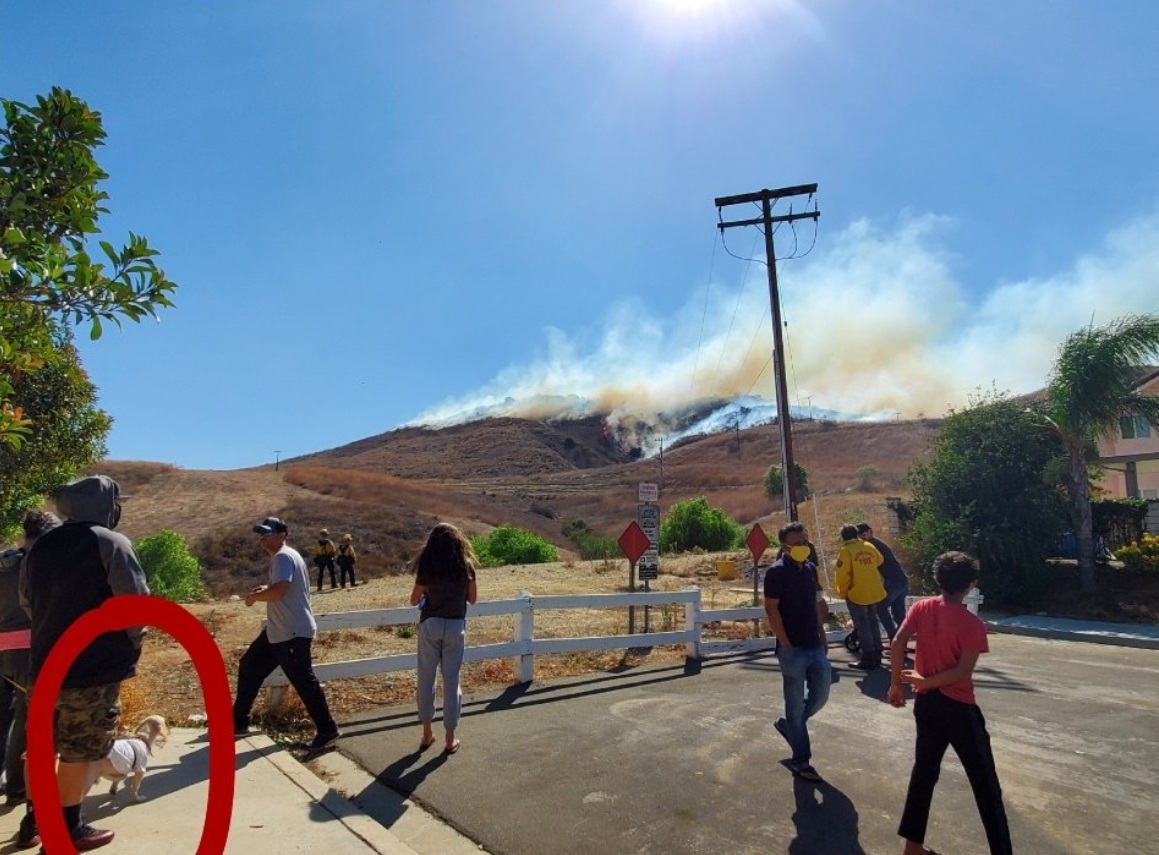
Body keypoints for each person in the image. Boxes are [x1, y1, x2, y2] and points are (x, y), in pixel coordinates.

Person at [19, 476, 149, 852]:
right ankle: (67, 829)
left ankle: (34, 818)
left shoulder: (41, 547)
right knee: (81, 749)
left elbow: (28, 603)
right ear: (107, 506)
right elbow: (134, 605)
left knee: (43, 746)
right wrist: (130, 643)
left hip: (43, 666)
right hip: (91, 670)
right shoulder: (110, 543)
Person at [888, 551, 1012, 855]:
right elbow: (961, 672)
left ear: (938, 579)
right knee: (985, 784)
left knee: (924, 773)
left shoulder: (923, 608)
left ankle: (913, 847)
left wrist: (897, 683)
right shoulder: (972, 625)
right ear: (970, 584)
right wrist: (924, 682)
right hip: (959, 709)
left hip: (927, 706)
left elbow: (897, 642)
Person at [232, 517, 340, 755]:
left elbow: (279, 591)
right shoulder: (286, 556)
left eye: (268, 534)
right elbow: (281, 588)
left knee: (303, 680)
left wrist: (254, 598)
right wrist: (264, 590)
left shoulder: (282, 556)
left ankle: (327, 729)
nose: (263, 539)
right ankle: (237, 722)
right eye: (261, 535)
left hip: (291, 632)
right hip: (278, 631)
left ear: (282, 534)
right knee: (249, 666)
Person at [0, 511, 60, 811]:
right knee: (26, 725)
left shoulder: (5, 562)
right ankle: (17, 789)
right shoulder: (41, 566)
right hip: (28, 651)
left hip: (2, 649)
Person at [763, 521, 830, 784]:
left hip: (814, 644)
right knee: (794, 702)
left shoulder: (811, 570)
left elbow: (815, 604)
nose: (803, 546)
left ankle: (789, 725)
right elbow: (771, 609)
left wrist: (822, 632)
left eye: (805, 541)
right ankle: (801, 760)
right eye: (798, 543)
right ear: (785, 546)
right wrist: (786, 644)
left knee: (821, 695)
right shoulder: (776, 573)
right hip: (792, 649)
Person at [409, 523, 477, 755]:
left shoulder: (428, 567)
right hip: (456, 625)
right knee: (451, 681)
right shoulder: (465, 567)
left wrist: (428, 592)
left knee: (426, 679)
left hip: (430, 624)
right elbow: (473, 599)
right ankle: (450, 738)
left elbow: (413, 600)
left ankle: (427, 734)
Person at [834, 524, 886, 669]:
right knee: (873, 622)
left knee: (863, 625)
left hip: (857, 593)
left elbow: (842, 575)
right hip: (874, 590)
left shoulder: (846, 551)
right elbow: (880, 560)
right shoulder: (868, 546)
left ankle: (868, 656)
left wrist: (843, 591)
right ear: (856, 534)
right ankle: (878, 653)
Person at [857, 522, 909, 640]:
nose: (862, 538)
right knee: (898, 612)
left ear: (870, 531)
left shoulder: (872, 546)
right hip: (901, 580)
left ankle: (893, 636)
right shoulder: (876, 544)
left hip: (894, 581)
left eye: (863, 534)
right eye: (859, 536)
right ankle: (902, 639)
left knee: (880, 607)